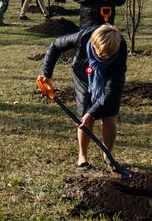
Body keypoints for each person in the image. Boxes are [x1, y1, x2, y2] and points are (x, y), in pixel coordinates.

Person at [38, 24, 127, 169]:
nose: (105, 58)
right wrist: (46, 74)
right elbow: (55, 46)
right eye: (101, 54)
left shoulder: (120, 49)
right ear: (93, 43)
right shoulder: (83, 37)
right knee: (85, 118)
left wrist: (92, 111)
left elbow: (111, 91)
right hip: (83, 75)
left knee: (109, 114)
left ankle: (108, 155)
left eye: (109, 55)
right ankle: (83, 155)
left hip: (109, 79)